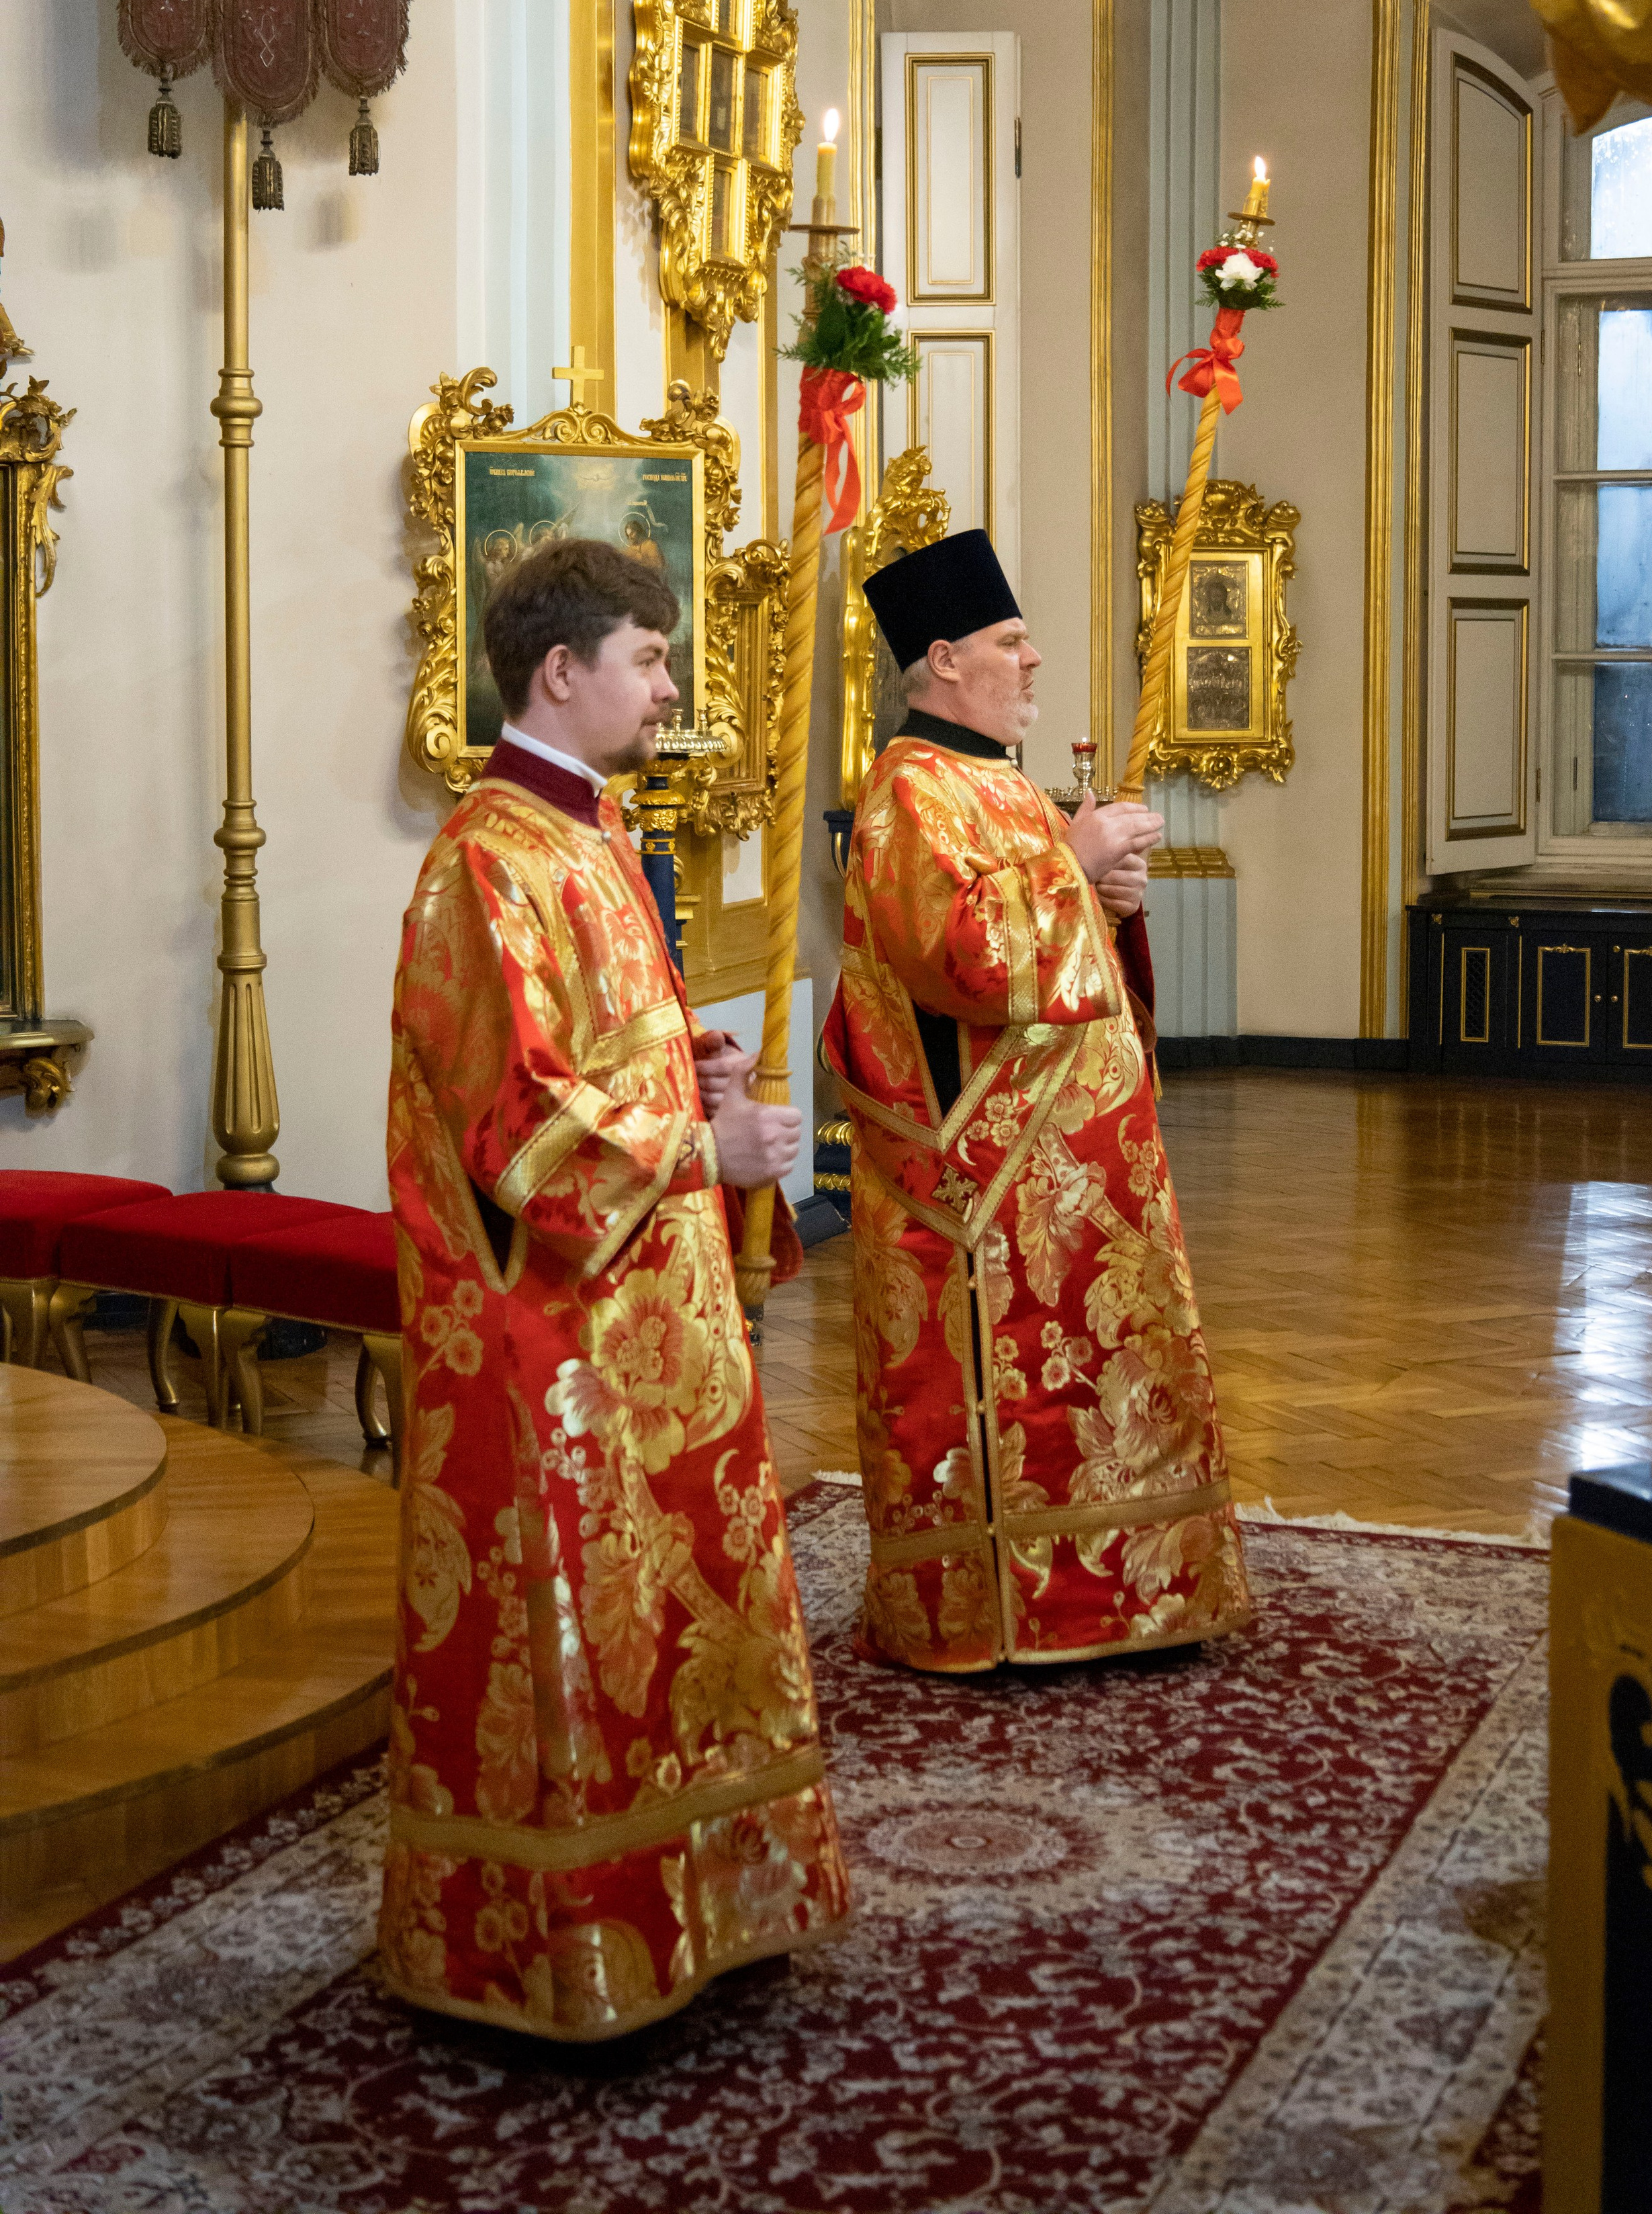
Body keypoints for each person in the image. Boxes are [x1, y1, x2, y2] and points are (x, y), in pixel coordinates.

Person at [380, 536, 849, 2040]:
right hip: (551, 1337)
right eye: (646, 660)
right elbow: (511, 1125)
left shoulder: (585, 834)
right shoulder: (486, 862)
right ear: (561, 672)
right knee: (578, 1629)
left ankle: (707, 1894)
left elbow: (595, 1053)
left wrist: (683, 1063)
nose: (667, 686)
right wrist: (701, 1141)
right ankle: (565, 1935)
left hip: (646, 1316)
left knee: (677, 1614)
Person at [823, 527, 1251, 1673]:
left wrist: (1109, 899)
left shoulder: (993, 784)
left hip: (1082, 1183)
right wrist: (1074, 859)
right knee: (1035, 1400)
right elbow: (960, 961)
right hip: (992, 1190)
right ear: (947, 657)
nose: (1036, 659)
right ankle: (1028, 1608)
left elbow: (1066, 958)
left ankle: (1129, 1594)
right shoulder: (911, 793)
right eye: (1015, 642)